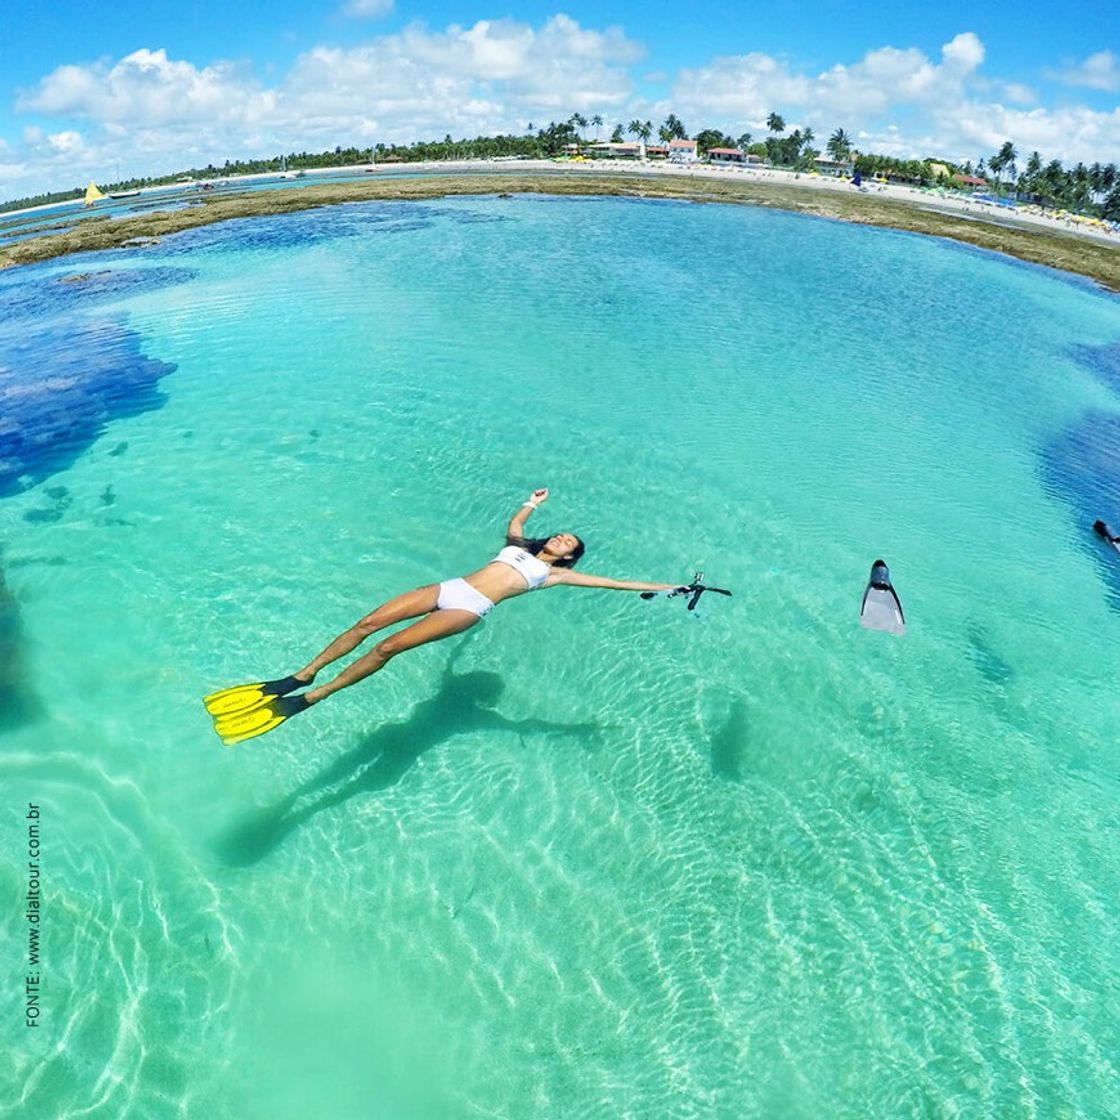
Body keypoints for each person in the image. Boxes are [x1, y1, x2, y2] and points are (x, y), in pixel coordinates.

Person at [205, 489, 687, 744]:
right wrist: (532, 503)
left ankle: (315, 695)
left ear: (569, 559)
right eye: (559, 534)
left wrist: (672, 587)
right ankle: (300, 673)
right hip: (448, 587)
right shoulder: (518, 546)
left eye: (569, 544)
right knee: (368, 623)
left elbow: (617, 584)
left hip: (470, 608)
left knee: (387, 647)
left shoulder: (554, 576)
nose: (561, 539)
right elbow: (516, 526)